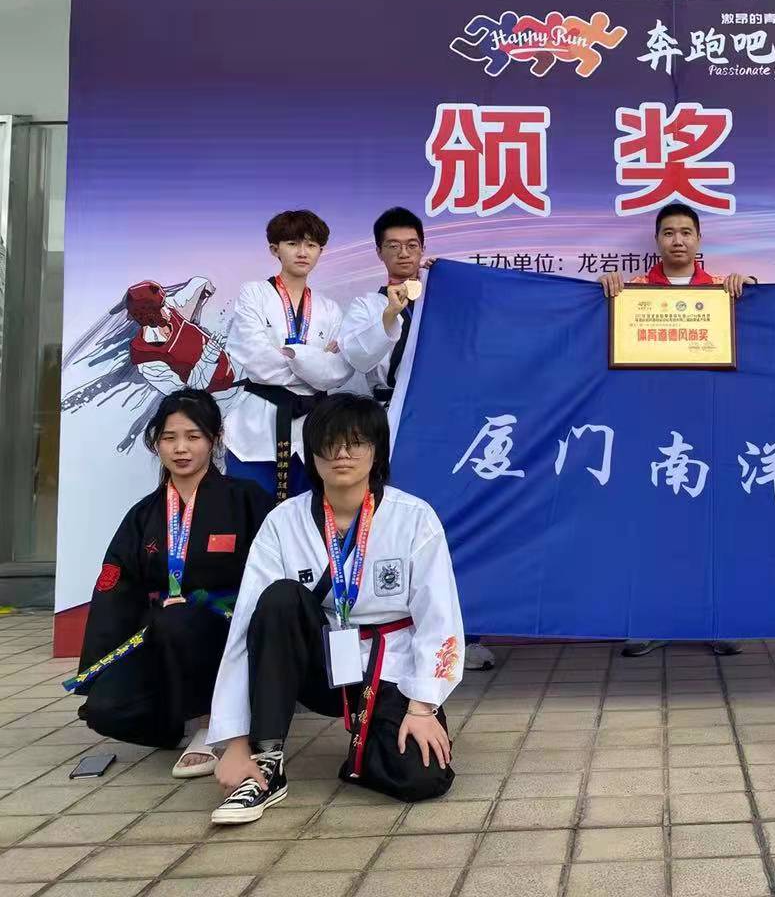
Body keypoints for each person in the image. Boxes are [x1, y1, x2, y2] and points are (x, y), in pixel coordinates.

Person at [207, 393, 464, 824]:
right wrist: (233, 742)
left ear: (377, 451)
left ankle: (374, 739)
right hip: (316, 662)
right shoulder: (283, 522)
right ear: (311, 452)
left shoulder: (414, 517)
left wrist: (423, 707)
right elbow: (247, 629)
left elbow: (440, 618)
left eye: (356, 442)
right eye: (329, 443)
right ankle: (267, 759)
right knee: (280, 599)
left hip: (388, 663)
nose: (342, 453)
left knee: (418, 778)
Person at [71, 389, 271, 777]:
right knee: (104, 709)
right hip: (163, 628)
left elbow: (273, 570)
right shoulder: (144, 514)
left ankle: (214, 726)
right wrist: (98, 666)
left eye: (193, 437)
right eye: (169, 438)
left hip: (231, 627)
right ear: (155, 443)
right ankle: (178, 723)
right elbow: (115, 585)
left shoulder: (246, 499)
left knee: (181, 621)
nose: (181, 449)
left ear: (214, 439)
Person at [338, 206, 495, 673]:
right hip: (390, 420)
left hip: (449, 424)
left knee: (452, 519)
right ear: (379, 252)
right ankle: (391, 631)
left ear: (423, 248)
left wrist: (450, 286)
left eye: (412, 245)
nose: (403, 253)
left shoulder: (445, 299)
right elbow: (360, 358)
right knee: (389, 521)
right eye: (393, 246)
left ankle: (466, 633)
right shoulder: (366, 306)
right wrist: (391, 312)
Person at [600, 202, 754, 658]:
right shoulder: (633, 292)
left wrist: (751, 288)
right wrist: (605, 291)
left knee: (710, 528)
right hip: (650, 428)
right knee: (652, 527)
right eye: (669, 232)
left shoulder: (722, 290)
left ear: (699, 240)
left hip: (709, 426)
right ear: (657, 241)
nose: (678, 240)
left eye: (686, 232)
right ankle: (650, 622)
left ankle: (716, 620)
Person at [226, 209, 353, 502]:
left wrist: (292, 354)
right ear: (275, 249)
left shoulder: (330, 309)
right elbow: (257, 361)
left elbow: (337, 372)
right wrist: (315, 361)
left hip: (312, 430)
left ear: (321, 251)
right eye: (293, 243)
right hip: (255, 429)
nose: (302, 252)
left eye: (311, 245)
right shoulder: (254, 294)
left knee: (306, 517)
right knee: (249, 515)